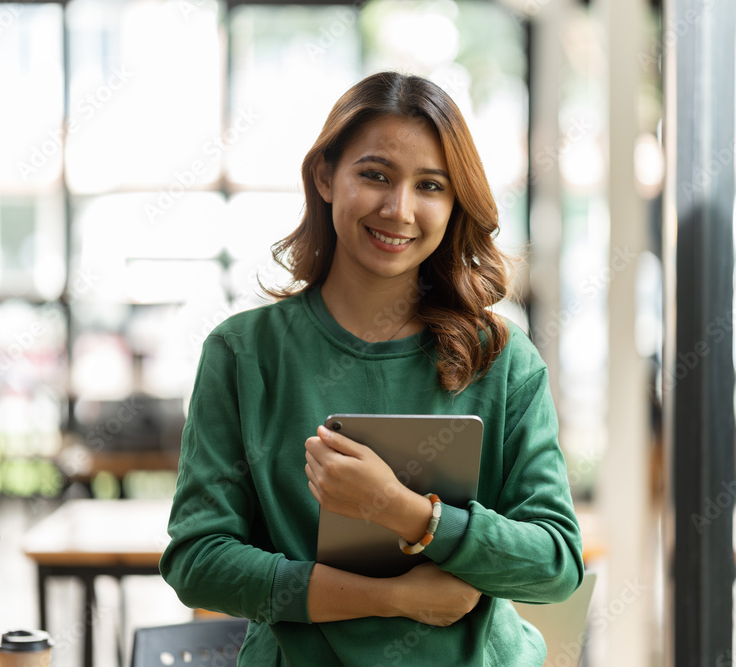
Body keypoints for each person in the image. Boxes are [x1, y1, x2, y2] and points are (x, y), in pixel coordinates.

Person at [160, 70, 584, 666]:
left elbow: (555, 566)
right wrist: (391, 598)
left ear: (454, 202)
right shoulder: (241, 354)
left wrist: (404, 511)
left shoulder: (503, 359)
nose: (399, 209)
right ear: (326, 177)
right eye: (376, 174)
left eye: (430, 185)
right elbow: (198, 561)